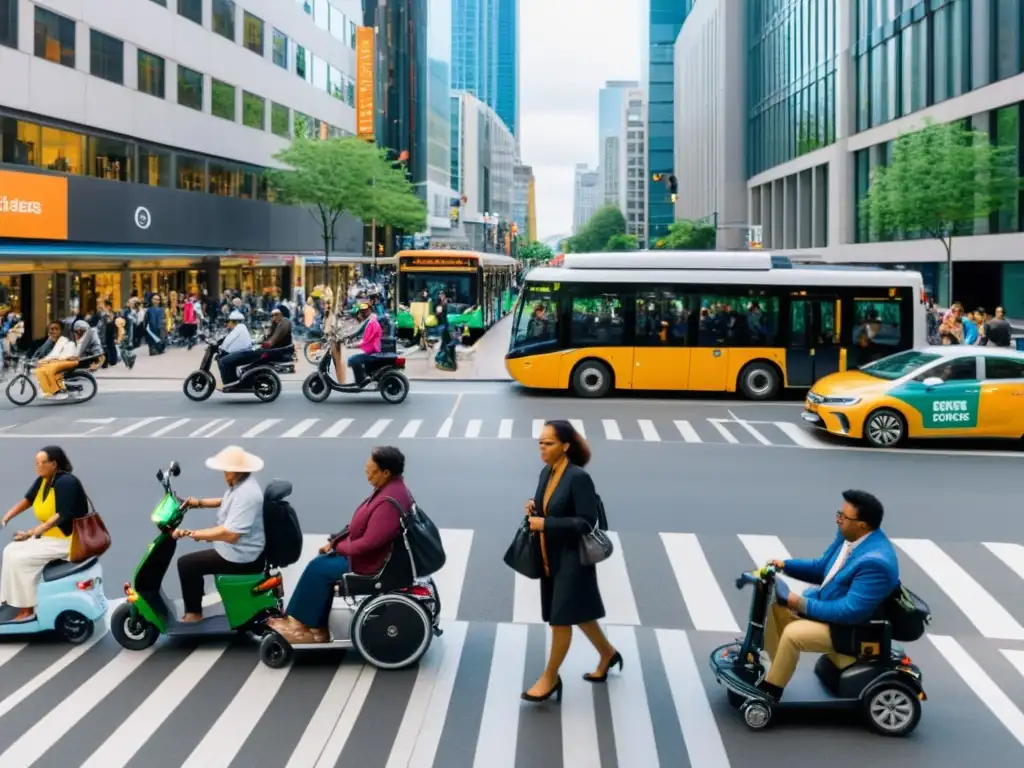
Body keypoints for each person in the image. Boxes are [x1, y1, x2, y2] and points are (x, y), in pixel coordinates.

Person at [758, 489, 898, 701]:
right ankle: (771, 667)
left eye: (843, 517)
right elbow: (822, 567)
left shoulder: (875, 562)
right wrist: (784, 565)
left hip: (852, 631)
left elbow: (849, 612)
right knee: (777, 610)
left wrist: (801, 603)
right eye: (838, 514)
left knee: (793, 634)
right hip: (833, 613)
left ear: (862, 524)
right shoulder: (849, 537)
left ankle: (770, 692)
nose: (838, 520)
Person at [268, 446, 412, 644]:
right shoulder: (391, 489)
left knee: (319, 569)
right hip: (369, 556)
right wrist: (335, 541)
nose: (366, 473)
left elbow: (370, 542)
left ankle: (310, 629)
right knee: (321, 563)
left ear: (386, 472)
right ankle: (307, 624)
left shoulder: (388, 501)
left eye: (371, 470)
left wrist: (340, 548)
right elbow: (358, 526)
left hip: (369, 563)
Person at [522, 420, 619, 703]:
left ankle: (550, 677)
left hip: (573, 559)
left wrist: (546, 524)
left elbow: (587, 521)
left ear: (565, 446)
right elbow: (549, 505)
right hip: (550, 556)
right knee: (579, 613)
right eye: (540, 442)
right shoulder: (547, 472)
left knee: (560, 620)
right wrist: (533, 506)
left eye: (548, 443)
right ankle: (608, 654)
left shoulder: (578, 478)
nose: (542, 447)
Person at [173, 446, 267, 623]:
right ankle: (195, 605)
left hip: (241, 556)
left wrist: (196, 534)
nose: (224, 472)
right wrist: (197, 503)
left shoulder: (247, 494)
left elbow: (231, 535)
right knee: (192, 562)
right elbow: (226, 502)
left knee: (187, 564)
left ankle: (193, 614)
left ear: (237, 471)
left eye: (226, 469)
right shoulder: (240, 485)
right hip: (239, 549)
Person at [0, 447, 91, 621]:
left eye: (42, 463)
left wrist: (31, 533)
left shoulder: (66, 482)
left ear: (54, 464)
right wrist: (7, 517)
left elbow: (62, 515)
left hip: (69, 541)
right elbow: (28, 500)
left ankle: (27, 608)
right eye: (36, 463)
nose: (38, 466)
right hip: (50, 539)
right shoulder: (44, 480)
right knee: (10, 550)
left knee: (22, 559)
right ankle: (10, 601)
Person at [34, 323, 78, 399]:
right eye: (51, 329)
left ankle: (58, 391)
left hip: (67, 360)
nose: (53, 331)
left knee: (50, 369)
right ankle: (49, 391)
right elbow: (43, 350)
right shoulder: (53, 339)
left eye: (56, 329)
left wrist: (43, 360)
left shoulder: (63, 340)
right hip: (61, 359)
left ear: (61, 331)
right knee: (41, 370)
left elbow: (56, 355)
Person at [218, 310, 258, 387]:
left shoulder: (238, 328)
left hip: (244, 352)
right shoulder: (240, 327)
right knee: (227, 359)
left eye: (228, 321)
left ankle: (231, 381)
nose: (227, 323)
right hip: (245, 351)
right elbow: (228, 338)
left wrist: (222, 348)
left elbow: (229, 341)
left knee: (224, 360)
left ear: (234, 322)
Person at [347, 303, 382, 385]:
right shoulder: (370, 321)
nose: (362, 313)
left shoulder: (371, 323)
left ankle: (361, 381)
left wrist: (352, 345)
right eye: (362, 311)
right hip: (373, 349)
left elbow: (365, 340)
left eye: (364, 311)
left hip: (373, 351)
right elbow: (359, 333)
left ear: (369, 310)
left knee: (352, 360)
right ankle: (365, 376)